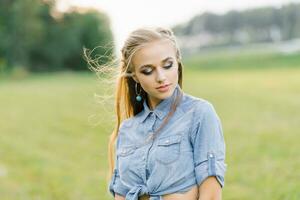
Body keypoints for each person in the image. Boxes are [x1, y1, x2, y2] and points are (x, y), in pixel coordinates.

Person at [104, 26, 227, 200]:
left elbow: (211, 194)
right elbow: (121, 194)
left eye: (167, 65)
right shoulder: (127, 129)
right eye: (147, 70)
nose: (161, 77)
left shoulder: (199, 114)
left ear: (178, 62)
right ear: (135, 76)